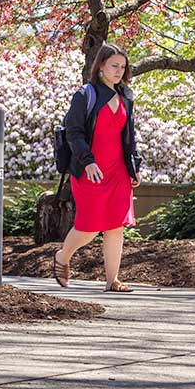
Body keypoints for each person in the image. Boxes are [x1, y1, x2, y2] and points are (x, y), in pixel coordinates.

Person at [52, 43, 142, 292]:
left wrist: (134, 166)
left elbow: (129, 136)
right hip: (89, 169)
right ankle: (63, 256)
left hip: (118, 171)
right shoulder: (86, 94)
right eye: (114, 66)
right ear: (101, 65)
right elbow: (74, 132)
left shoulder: (126, 96)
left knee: (115, 225)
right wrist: (88, 161)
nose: (119, 71)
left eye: (123, 67)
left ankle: (112, 280)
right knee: (89, 226)